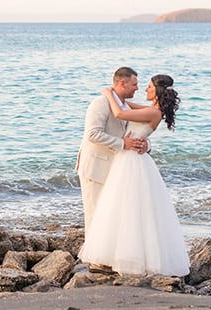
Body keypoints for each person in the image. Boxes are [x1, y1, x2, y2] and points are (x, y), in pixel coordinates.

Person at [78, 74, 190, 277]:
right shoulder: (150, 109)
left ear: (158, 91)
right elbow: (126, 106)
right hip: (124, 160)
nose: (143, 89)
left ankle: (119, 258)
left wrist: (108, 93)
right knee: (120, 209)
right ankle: (107, 257)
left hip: (130, 161)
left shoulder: (154, 112)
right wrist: (114, 95)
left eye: (147, 86)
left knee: (128, 210)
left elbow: (120, 113)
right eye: (137, 85)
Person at [75, 67, 149, 233]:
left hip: (115, 169)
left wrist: (146, 145)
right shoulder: (101, 103)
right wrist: (123, 144)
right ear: (122, 83)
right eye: (134, 84)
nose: (137, 88)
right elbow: (93, 134)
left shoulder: (125, 107)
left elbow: (137, 132)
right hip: (95, 167)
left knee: (110, 215)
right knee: (94, 213)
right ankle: (94, 258)